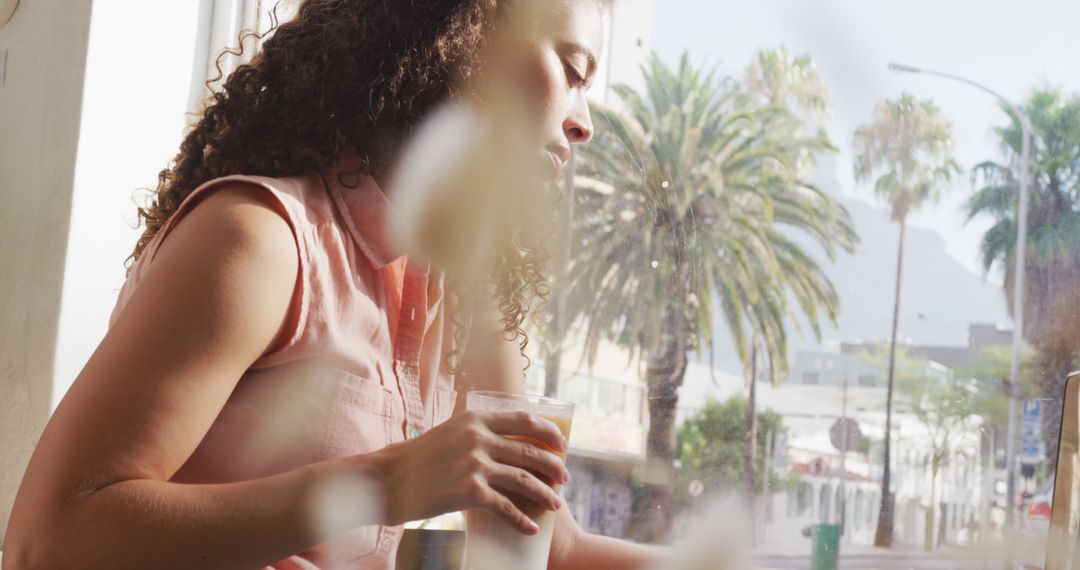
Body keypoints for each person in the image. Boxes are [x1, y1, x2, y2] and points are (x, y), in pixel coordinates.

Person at [2, 1, 662, 569]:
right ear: (467, 38)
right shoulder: (260, 241)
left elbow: (549, 546)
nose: (584, 122)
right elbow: (47, 541)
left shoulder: (463, 292)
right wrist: (387, 482)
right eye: (572, 73)